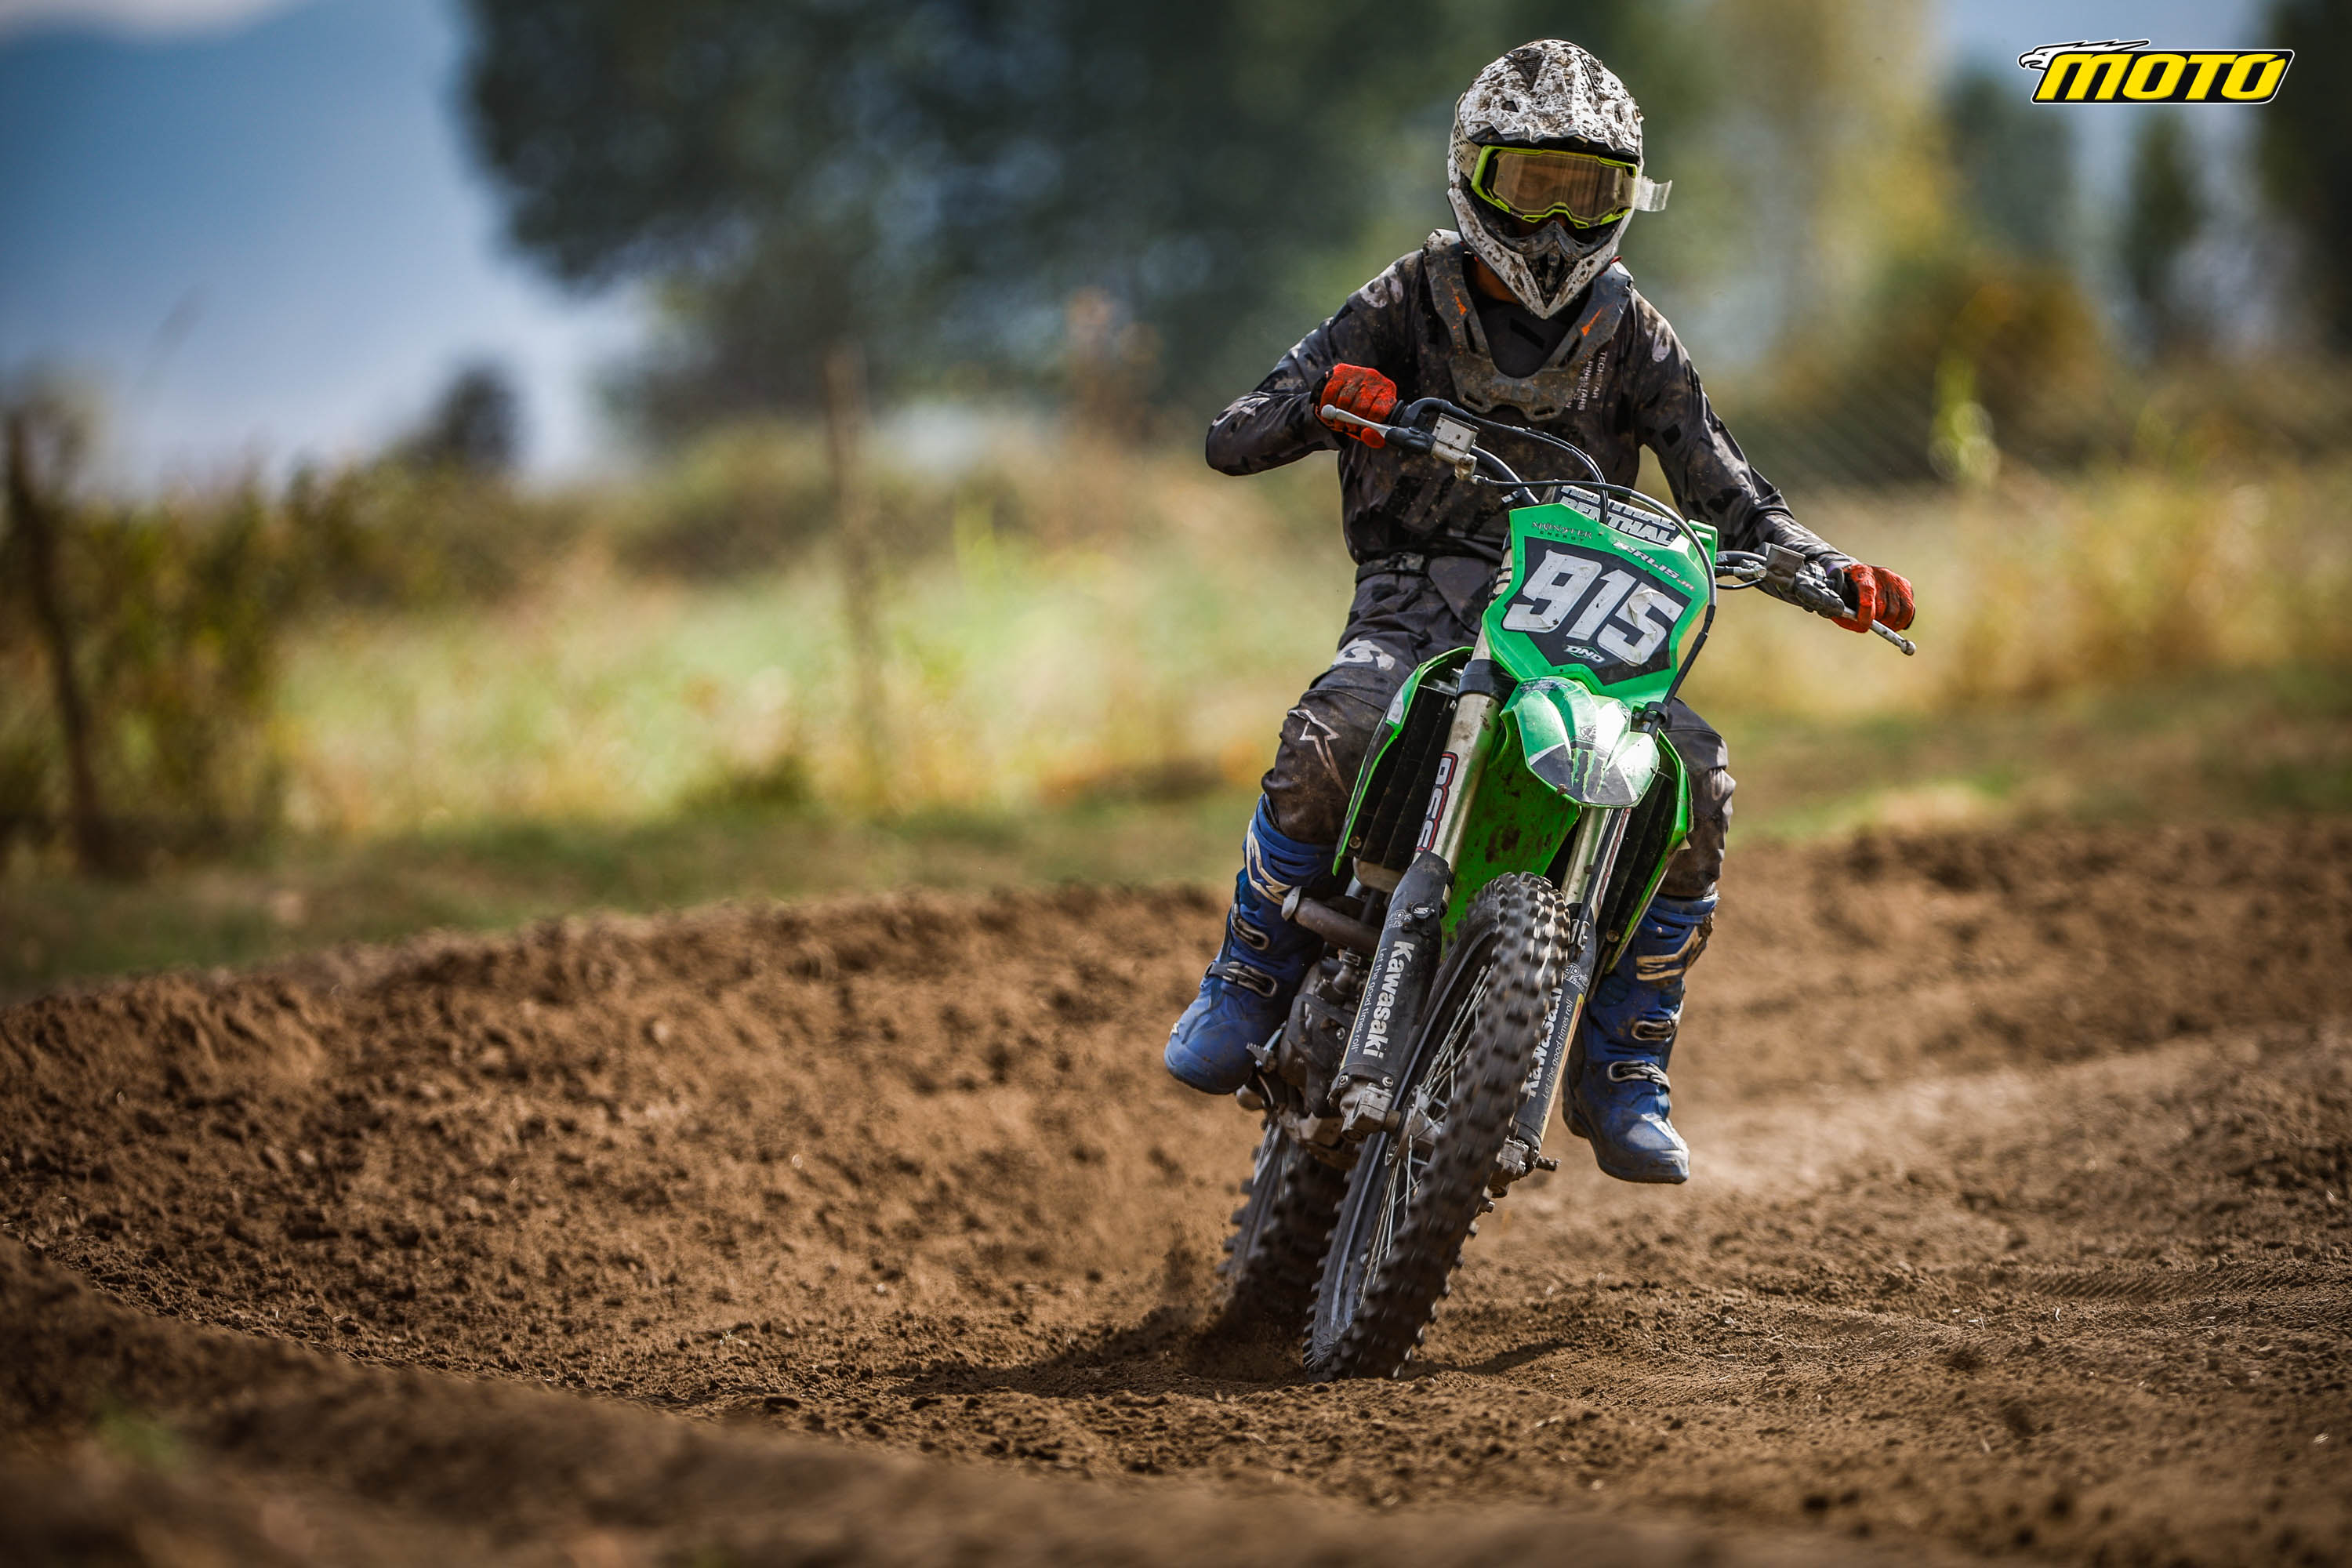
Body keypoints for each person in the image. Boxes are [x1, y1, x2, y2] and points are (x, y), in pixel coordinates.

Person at [1162, 39, 1915, 1184]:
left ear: (1630, 200)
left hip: (1586, 614)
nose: (1559, 229)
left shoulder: (1633, 330)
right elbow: (1233, 434)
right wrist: (1324, 402)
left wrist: (1829, 569)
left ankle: (1625, 1061)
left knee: (1694, 782)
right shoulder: (1406, 297)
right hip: (1422, 592)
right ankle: (1247, 975)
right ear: (1473, 175)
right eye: (1533, 187)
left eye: (1589, 193)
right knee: (1341, 727)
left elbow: (1730, 492)